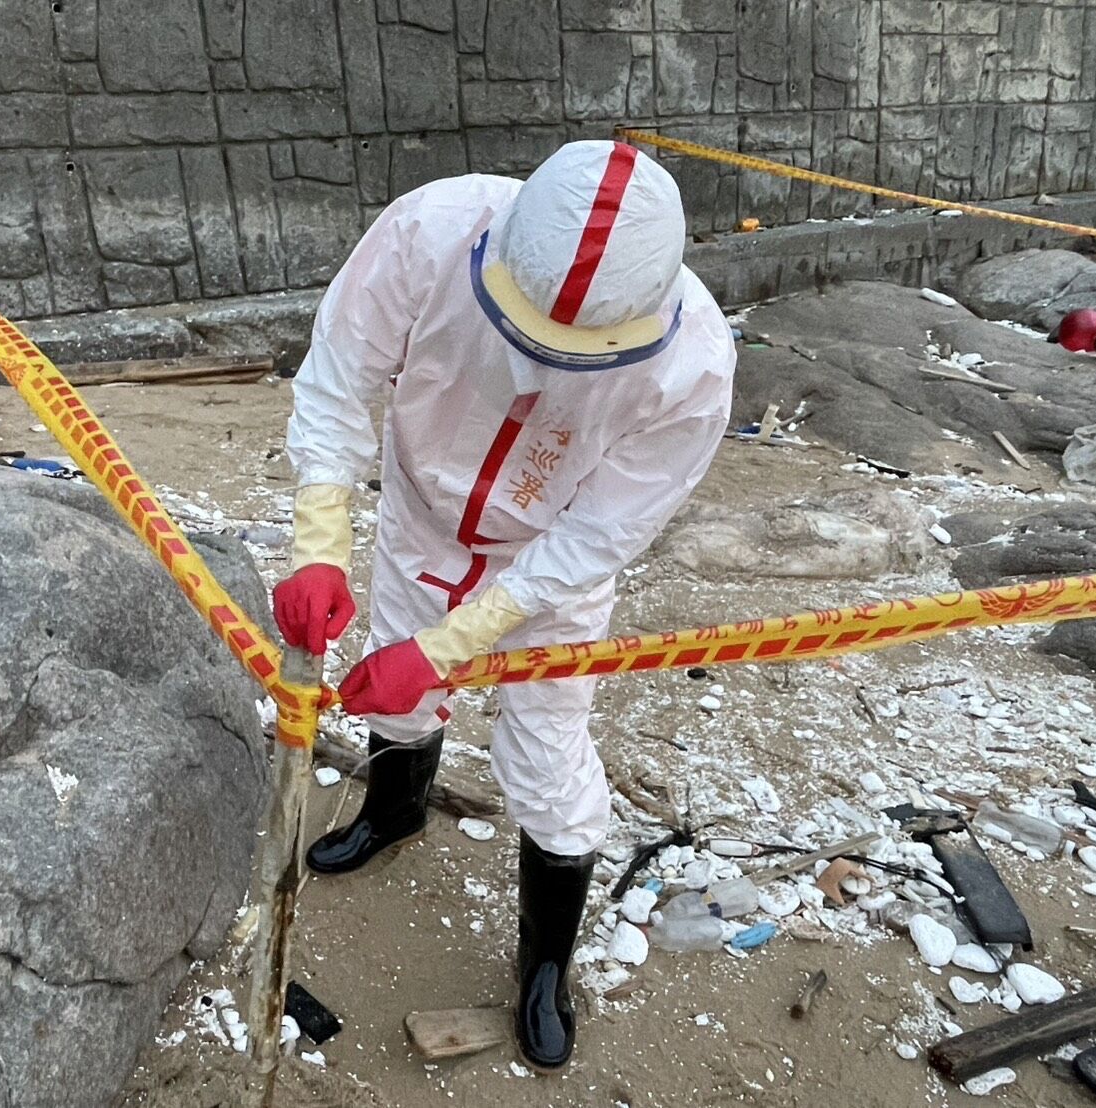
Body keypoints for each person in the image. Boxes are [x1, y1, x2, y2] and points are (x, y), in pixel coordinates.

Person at [273, 140, 736, 1070]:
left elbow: (601, 534)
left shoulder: (691, 367)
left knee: (548, 749)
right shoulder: (429, 230)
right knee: (393, 671)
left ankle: (544, 962)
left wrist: (453, 647)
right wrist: (320, 543)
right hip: (422, 508)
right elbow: (339, 379)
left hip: (549, 558)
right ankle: (395, 811)